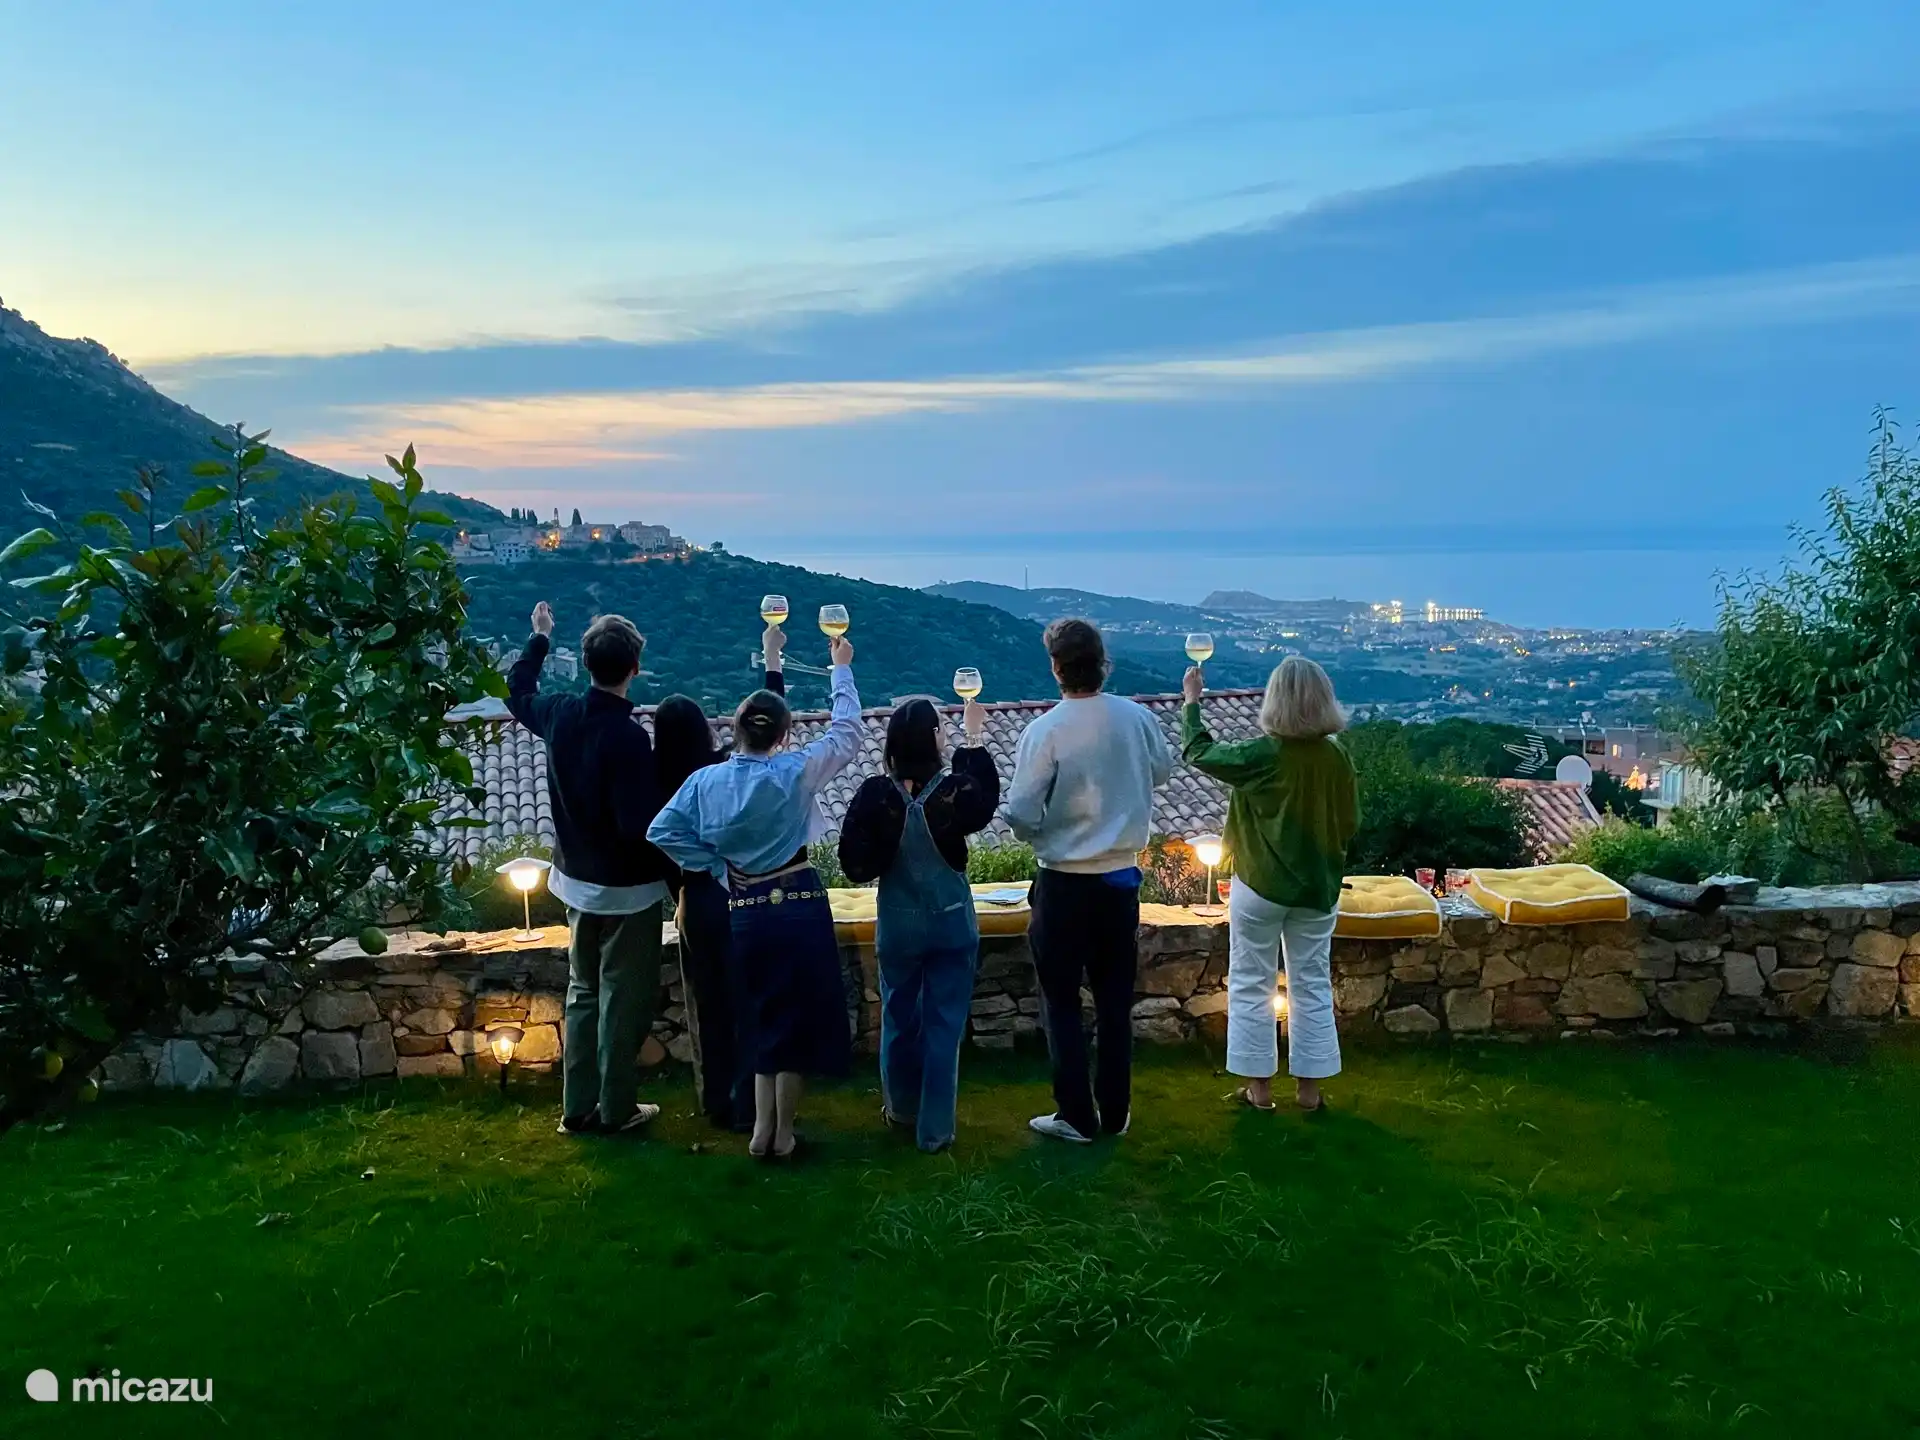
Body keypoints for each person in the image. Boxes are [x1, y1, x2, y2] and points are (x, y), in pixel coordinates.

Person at [647, 626, 862, 1160]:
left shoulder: (705, 782)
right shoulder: (794, 771)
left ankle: (761, 1131)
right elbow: (847, 734)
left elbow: (661, 831)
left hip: (741, 905)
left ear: (735, 730)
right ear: (783, 735)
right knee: (794, 1021)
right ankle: (781, 1135)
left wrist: (715, 864)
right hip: (797, 901)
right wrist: (841, 669)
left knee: (761, 1016)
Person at [1003, 618, 1173, 1144]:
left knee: (1060, 1002)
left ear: (1056, 667)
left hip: (1064, 884)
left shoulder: (1046, 730)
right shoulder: (1136, 718)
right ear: (1103, 663)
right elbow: (1162, 771)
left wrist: (1042, 830)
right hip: (1120, 880)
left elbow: (1021, 811)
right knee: (1115, 1002)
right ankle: (1116, 1112)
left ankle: (1076, 1114)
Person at [506, 602, 669, 1137]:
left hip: (575, 882)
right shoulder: (629, 739)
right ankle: (617, 1109)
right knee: (622, 1000)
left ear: (585, 664)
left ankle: (576, 1108)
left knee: (582, 992)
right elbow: (636, 826)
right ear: (634, 668)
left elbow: (517, 690)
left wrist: (539, 637)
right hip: (627, 891)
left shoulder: (558, 714)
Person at [1180, 655, 1358, 1113]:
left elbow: (1199, 752)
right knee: (1311, 981)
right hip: (1316, 888)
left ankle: (1259, 1090)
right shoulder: (1337, 757)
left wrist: (1192, 703)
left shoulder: (1262, 755)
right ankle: (1309, 1093)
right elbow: (1350, 822)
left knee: (1251, 981)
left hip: (1259, 885)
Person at [838, 696, 999, 1153]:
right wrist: (973, 738)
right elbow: (986, 798)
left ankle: (900, 1110)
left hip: (899, 923)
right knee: (944, 1026)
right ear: (933, 739)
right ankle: (936, 1130)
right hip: (951, 922)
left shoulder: (876, 794)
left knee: (898, 1017)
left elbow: (853, 864)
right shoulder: (953, 792)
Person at [650, 635, 790, 1133]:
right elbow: (765, 726)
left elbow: (658, 837)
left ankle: (714, 1098)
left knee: (706, 1003)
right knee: (748, 1001)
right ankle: (748, 1103)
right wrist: (772, 661)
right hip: (734, 892)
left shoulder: (651, 778)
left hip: (690, 901)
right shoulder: (717, 772)